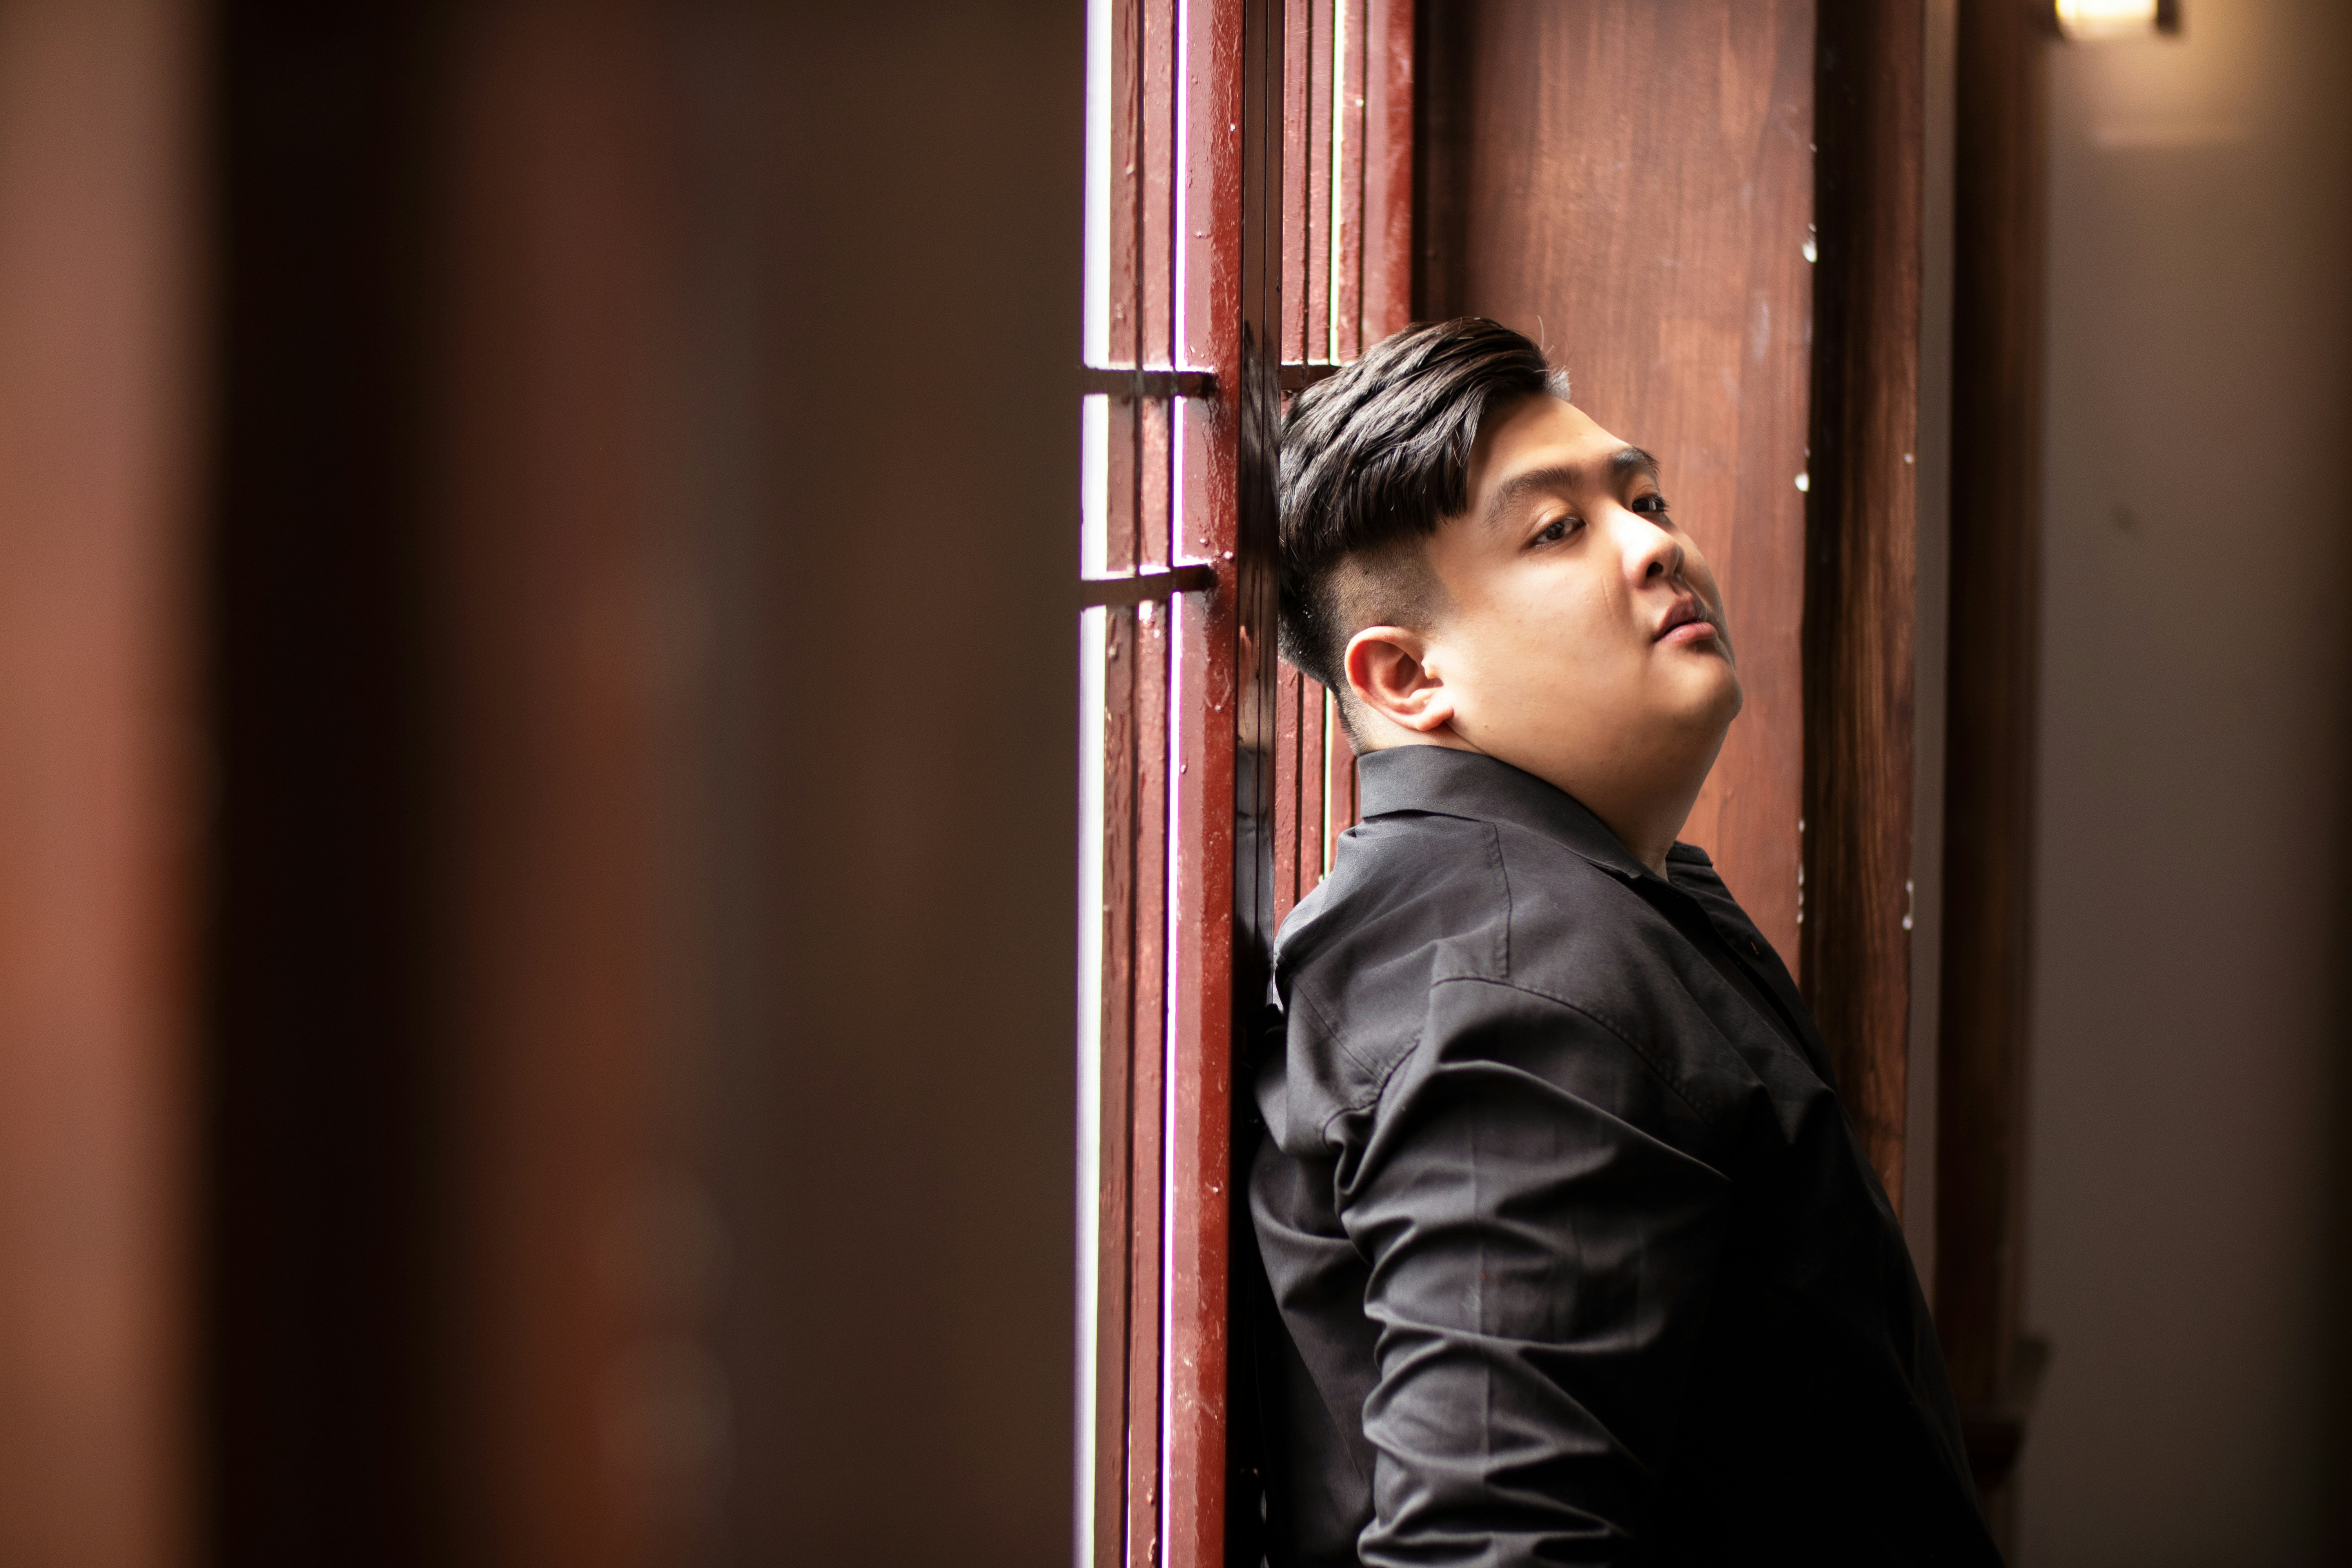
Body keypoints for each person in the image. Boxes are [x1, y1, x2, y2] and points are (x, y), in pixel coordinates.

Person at [1244, 318, 2000, 1566]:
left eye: (1641, 496)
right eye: (1558, 530)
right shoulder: (1522, 996)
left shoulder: (1578, 904)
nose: (1658, 544)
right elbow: (1493, 1548)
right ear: (1407, 677)